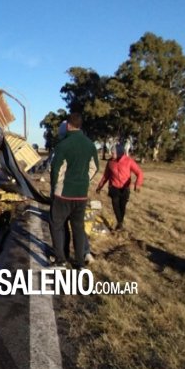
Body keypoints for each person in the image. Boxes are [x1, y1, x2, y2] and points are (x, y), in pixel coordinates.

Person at [49, 113, 98, 269]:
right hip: (81, 195)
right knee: (78, 228)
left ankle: (60, 259)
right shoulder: (90, 145)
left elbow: (56, 170)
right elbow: (94, 167)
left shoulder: (63, 145)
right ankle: (79, 262)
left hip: (63, 194)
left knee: (57, 225)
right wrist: (84, 181)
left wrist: (55, 188)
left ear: (69, 125)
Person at [96, 143, 143, 230]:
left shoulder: (128, 161)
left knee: (122, 206)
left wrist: (138, 184)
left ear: (119, 152)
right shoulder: (110, 162)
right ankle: (120, 223)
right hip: (114, 187)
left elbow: (139, 173)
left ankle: (120, 222)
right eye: (111, 152)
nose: (111, 154)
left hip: (125, 188)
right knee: (115, 204)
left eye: (113, 153)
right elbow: (106, 176)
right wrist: (99, 187)